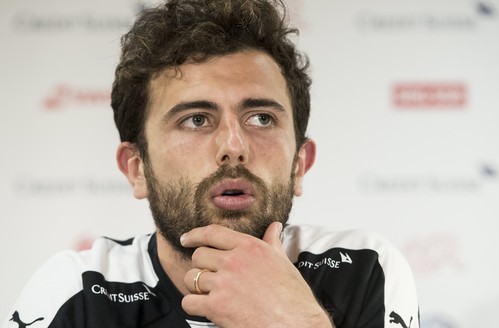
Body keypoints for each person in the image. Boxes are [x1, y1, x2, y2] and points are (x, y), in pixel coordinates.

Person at [3, 0, 419, 327]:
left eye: (261, 118)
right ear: (137, 168)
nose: (234, 147)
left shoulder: (365, 270)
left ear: (299, 165)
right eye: (196, 120)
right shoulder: (77, 292)